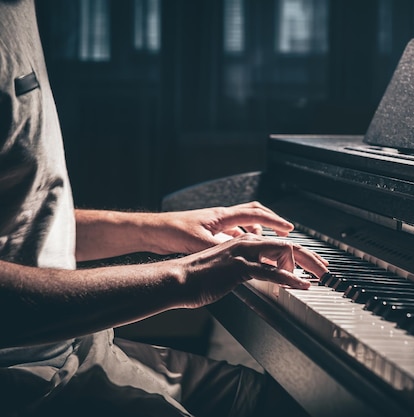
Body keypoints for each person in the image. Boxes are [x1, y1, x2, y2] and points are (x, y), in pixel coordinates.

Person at [0, 0, 329, 416]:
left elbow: (19, 221)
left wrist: (155, 229)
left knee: (286, 403)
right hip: (28, 385)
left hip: (80, 349)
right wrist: (185, 276)